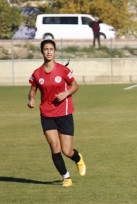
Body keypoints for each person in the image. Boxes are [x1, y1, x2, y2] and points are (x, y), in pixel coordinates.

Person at [27, 40, 86, 187]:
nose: (48, 52)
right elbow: (33, 90)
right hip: (47, 114)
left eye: (51, 49)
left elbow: (75, 85)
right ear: (42, 51)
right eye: (46, 49)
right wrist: (31, 99)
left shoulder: (63, 70)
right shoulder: (37, 73)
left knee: (67, 151)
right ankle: (66, 177)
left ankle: (78, 158)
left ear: (55, 51)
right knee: (55, 147)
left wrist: (66, 93)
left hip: (64, 113)